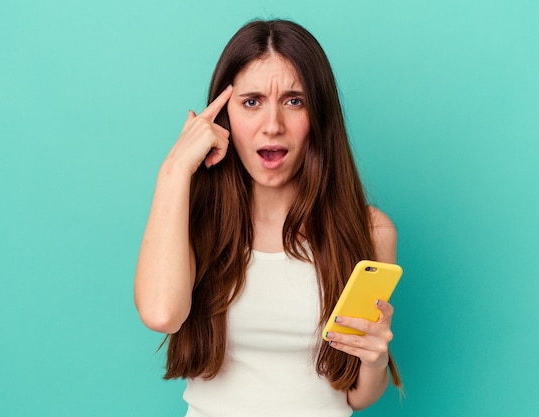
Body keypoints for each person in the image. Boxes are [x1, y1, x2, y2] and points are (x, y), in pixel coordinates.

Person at [134, 18, 402, 416]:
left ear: (319, 116)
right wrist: (174, 169)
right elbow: (161, 314)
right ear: (223, 118)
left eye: (294, 101)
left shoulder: (369, 231)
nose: (272, 125)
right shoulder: (192, 223)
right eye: (252, 102)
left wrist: (376, 359)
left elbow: (357, 396)